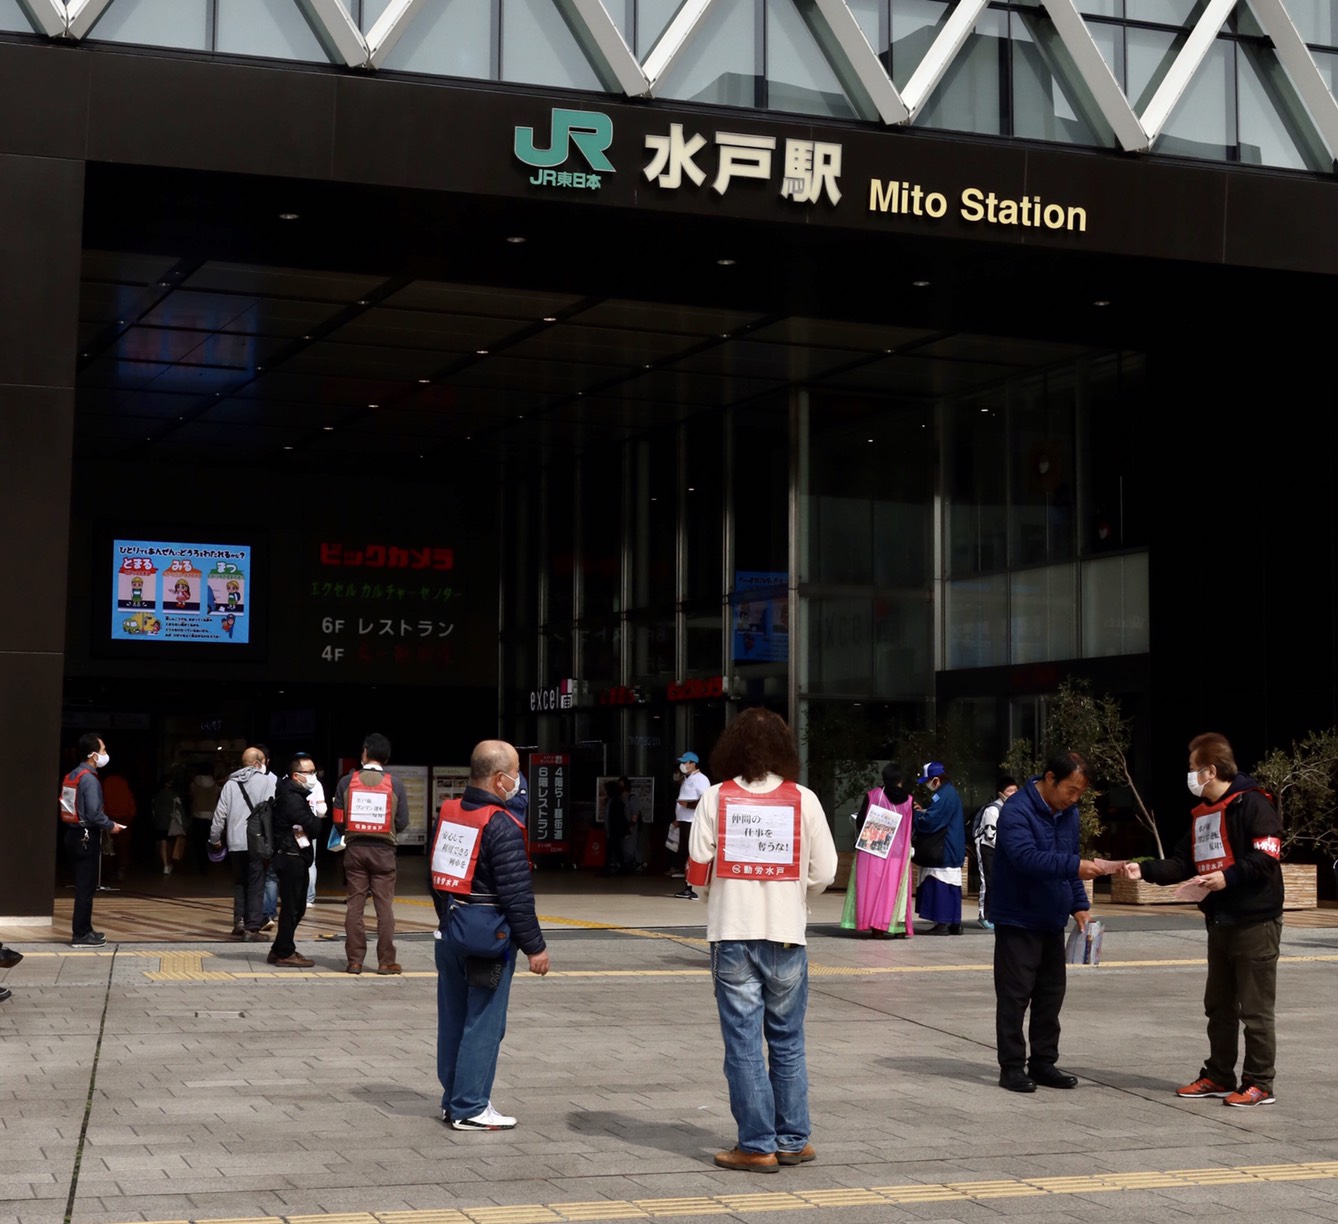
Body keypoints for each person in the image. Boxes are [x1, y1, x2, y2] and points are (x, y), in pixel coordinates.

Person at [686, 708, 837, 1173]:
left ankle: (756, 1145)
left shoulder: (716, 797)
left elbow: (697, 870)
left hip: (733, 933)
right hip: (787, 934)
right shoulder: (803, 799)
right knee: (788, 1040)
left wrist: (718, 895)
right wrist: (795, 893)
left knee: (744, 1043)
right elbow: (826, 871)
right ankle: (793, 1139)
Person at [1122, 732, 1283, 1108]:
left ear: (1210, 771)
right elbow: (1184, 862)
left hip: (1255, 922)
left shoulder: (1253, 803)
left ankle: (1260, 1083)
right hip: (1220, 920)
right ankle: (1219, 1075)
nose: (1190, 776)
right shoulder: (1204, 814)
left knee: (1255, 1010)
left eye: (1193, 768)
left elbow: (1266, 855)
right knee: (1219, 1005)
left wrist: (1228, 877)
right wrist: (1144, 870)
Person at [430, 739, 549, 1130]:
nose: (519, 782)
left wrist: (449, 919)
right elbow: (517, 895)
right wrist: (535, 947)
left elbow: (436, 876)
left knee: (453, 1019)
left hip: (451, 932)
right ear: (500, 779)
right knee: (484, 1023)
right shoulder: (502, 825)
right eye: (515, 774)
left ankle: (453, 1100)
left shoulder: (449, 813)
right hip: (487, 940)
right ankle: (470, 1106)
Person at [991, 751, 1115, 1093]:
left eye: (1079, 793)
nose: (1073, 799)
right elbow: (1026, 858)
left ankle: (1043, 1062)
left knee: (1050, 994)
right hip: (1018, 917)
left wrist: (1079, 905)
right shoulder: (1017, 811)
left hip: (1050, 917)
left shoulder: (1068, 813)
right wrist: (1075, 866)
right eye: (1070, 790)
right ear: (1049, 778)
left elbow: (1067, 857)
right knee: (1015, 995)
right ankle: (1011, 1067)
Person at [332, 732, 410, 975]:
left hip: (355, 850)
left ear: (364, 753)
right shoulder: (395, 784)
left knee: (355, 906)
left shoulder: (346, 782)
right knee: (384, 907)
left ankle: (354, 961)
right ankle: (386, 961)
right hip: (384, 852)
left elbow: (338, 820)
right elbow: (403, 821)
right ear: (386, 757)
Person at [59, 734, 126, 948]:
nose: (106, 754)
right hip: (86, 835)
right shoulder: (89, 779)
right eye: (103, 750)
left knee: (83, 885)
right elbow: (94, 813)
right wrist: (110, 825)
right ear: (93, 755)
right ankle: (81, 934)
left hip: (73, 833)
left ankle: (86, 930)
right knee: (86, 887)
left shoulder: (73, 775)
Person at [841, 763, 915, 939]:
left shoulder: (874, 795)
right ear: (901, 780)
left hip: (873, 850)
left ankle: (877, 928)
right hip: (898, 853)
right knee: (896, 889)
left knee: (873, 889)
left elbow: (861, 820)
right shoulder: (909, 800)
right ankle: (898, 927)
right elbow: (912, 826)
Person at [209, 747, 276, 940]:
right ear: (257, 763)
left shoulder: (230, 785)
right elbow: (272, 811)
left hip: (235, 842)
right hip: (257, 841)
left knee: (240, 882)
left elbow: (219, 814)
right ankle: (252, 928)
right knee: (256, 883)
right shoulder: (267, 782)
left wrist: (214, 839)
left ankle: (239, 921)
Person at [266, 754, 323, 967]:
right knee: (292, 907)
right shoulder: (291, 798)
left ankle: (279, 948)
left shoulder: (294, 794)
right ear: (296, 776)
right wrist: (316, 821)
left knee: (296, 906)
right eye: (310, 772)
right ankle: (285, 952)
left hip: (294, 855)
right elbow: (313, 826)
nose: (314, 776)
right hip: (290, 856)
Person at [912, 761, 966, 934]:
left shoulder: (945, 795)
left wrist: (916, 816)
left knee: (940, 884)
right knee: (950, 886)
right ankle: (953, 922)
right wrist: (924, 811)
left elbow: (932, 822)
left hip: (944, 848)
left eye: (928, 781)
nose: (927, 785)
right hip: (949, 847)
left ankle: (943, 922)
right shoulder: (946, 793)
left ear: (936, 780)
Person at [972, 777, 1019, 931]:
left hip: (1003, 850)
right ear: (1001, 793)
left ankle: (998, 914)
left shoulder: (1014, 809)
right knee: (988, 882)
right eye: (1009, 791)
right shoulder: (992, 810)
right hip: (988, 849)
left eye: (1015, 790)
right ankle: (984, 916)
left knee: (1001, 883)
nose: (1013, 793)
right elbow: (990, 836)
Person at [672, 750, 710, 900]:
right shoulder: (687, 778)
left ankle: (693, 887)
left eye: (685, 762)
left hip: (693, 821)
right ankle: (688, 886)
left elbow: (705, 800)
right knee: (685, 853)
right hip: (685, 821)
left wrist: (688, 805)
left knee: (692, 853)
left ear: (693, 764)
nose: (682, 765)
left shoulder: (701, 779)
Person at [152, 776, 187, 875]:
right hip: (171, 822)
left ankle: (165, 865)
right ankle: (169, 862)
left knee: (163, 844)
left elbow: (154, 810)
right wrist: (184, 824)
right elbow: (180, 810)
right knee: (170, 844)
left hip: (160, 822)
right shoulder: (174, 795)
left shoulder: (157, 796)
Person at [602, 779, 629, 875]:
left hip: (614, 831)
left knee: (613, 850)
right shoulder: (611, 801)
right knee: (616, 850)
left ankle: (610, 869)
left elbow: (620, 818)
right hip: (612, 831)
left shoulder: (616, 802)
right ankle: (621, 868)